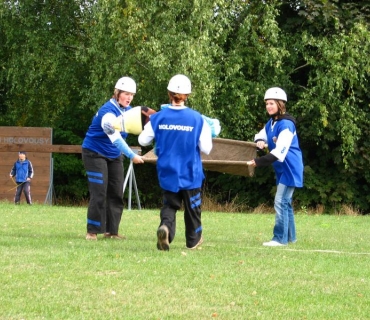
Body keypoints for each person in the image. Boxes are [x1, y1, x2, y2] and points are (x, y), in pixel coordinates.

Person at [138, 74, 213, 251]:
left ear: (169, 93)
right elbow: (207, 148)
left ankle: (166, 229)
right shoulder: (197, 118)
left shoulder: (158, 118)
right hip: (190, 171)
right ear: (187, 95)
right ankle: (193, 241)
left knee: (170, 205)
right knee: (192, 207)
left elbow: (142, 140)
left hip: (167, 171)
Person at [82, 76, 155, 241]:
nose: (129, 97)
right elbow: (115, 138)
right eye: (126, 94)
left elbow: (147, 125)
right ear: (117, 93)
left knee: (116, 192)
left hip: (114, 155)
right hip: (94, 153)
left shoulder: (129, 111)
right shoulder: (107, 112)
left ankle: (112, 231)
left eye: (132, 95)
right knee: (99, 192)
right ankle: (92, 231)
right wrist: (132, 155)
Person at [246, 87, 303, 247]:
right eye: (266, 104)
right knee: (286, 202)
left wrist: (257, 162)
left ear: (280, 104)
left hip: (290, 168)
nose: (268, 106)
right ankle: (290, 237)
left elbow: (279, 153)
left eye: (271, 103)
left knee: (280, 201)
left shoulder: (286, 125)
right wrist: (259, 142)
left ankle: (279, 239)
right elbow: (260, 135)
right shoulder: (272, 123)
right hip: (281, 169)